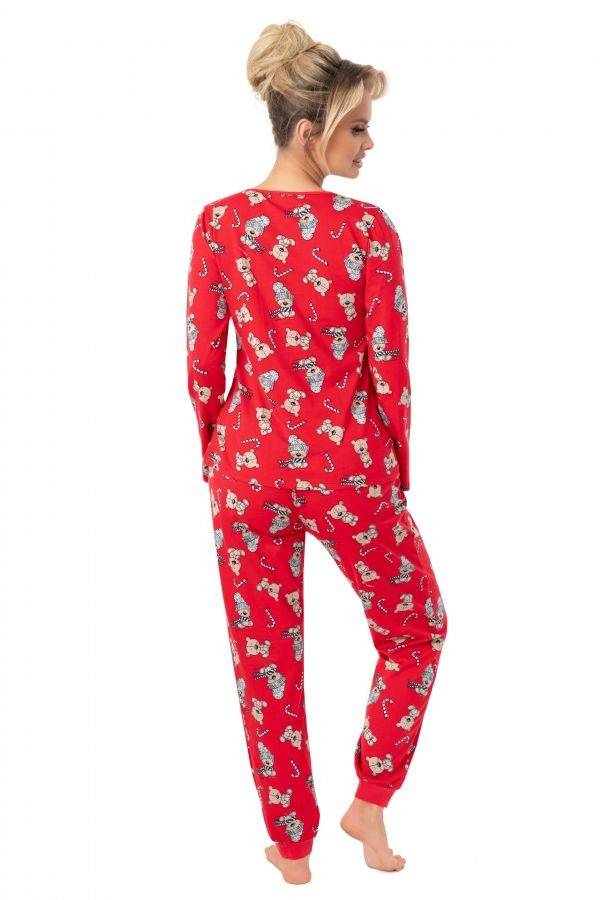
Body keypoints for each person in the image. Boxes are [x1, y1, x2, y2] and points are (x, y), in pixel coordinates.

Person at [185, 20, 449, 885]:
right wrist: (393, 475)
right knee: (416, 627)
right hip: (348, 468)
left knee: (264, 658)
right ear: (310, 130)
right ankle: (369, 799)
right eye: (358, 127)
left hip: (246, 469)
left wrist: (217, 457)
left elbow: (203, 363)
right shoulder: (367, 231)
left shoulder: (220, 225)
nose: (369, 144)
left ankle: (291, 846)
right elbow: (389, 371)